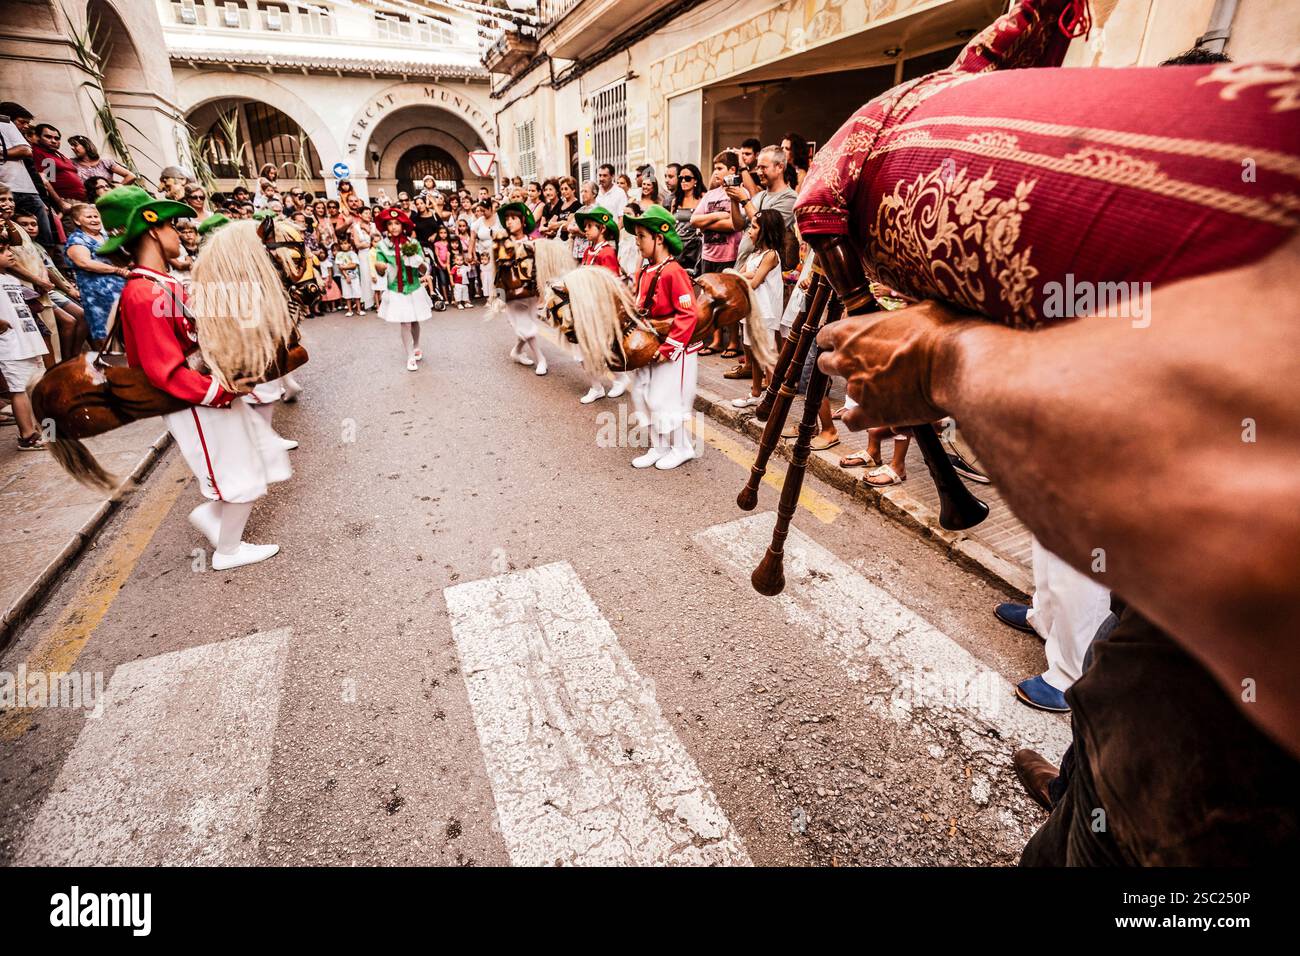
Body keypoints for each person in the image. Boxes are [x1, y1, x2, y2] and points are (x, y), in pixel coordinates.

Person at [813, 222, 1300, 864]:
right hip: (1146, 654)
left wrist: (948, 361)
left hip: (1216, 783)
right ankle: (1076, 786)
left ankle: (1094, 795)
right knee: (1101, 674)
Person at [102, 186, 287, 569]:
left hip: (205, 393)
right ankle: (228, 550)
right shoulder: (142, 292)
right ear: (152, 231)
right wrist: (219, 391)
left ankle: (216, 521)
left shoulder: (163, 283)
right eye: (172, 226)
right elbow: (164, 370)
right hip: (195, 401)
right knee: (238, 474)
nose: (178, 233)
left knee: (256, 459)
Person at [624, 205, 699, 471]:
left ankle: (683, 447)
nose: (637, 242)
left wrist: (669, 348)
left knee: (665, 399)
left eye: (642, 236)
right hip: (650, 345)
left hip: (672, 349)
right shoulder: (646, 271)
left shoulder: (673, 271)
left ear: (659, 237)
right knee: (643, 395)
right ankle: (659, 446)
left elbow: (688, 315)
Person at [572, 205, 627, 405]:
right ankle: (596, 387)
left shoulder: (607, 252)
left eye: (589, 226)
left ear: (602, 228)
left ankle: (619, 380)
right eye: (584, 226)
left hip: (600, 310)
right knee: (583, 351)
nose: (585, 230)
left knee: (603, 349)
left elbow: (612, 283)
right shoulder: (588, 250)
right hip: (586, 307)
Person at [0, 230, 50, 450]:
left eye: (8, 248)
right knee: (18, 389)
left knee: (36, 386)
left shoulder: (10, 277)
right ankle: (27, 436)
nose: (9, 253)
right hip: (11, 345)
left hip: (28, 339)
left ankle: (49, 432)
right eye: (2, 250)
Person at [730, 209, 784, 410]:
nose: (749, 231)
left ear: (766, 231)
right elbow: (739, 276)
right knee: (752, 353)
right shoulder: (755, 254)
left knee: (767, 355)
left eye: (753, 227)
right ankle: (755, 392)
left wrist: (748, 276)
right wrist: (747, 275)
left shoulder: (771, 255)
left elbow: (754, 282)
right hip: (751, 311)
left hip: (765, 313)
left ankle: (772, 398)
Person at [693, 151, 744, 356]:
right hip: (709, 254)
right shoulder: (711, 195)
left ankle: (732, 341)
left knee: (729, 300)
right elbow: (695, 220)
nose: (715, 172)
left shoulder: (739, 194)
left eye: (720, 168)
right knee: (711, 298)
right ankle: (715, 340)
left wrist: (709, 223)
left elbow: (735, 224)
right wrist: (718, 216)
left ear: (732, 170)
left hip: (729, 254)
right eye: (715, 168)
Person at [373, 207, 433, 371]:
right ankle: (410, 356)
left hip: (414, 287)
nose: (393, 227)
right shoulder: (382, 246)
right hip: (396, 289)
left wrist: (417, 260)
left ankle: (417, 345)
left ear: (403, 225)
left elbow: (423, 270)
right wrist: (380, 266)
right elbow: (379, 269)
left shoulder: (413, 244)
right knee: (405, 322)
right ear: (386, 226)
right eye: (390, 223)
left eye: (397, 223)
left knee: (414, 320)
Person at [63, 201, 130, 345]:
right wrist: (117, 270)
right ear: (77, 220)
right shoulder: (77, 239)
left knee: (127, 328)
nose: (94, 220)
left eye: (96, 216)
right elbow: (84, 263)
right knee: (106, 333)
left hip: (121, 288)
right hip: (96, 293)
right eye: (89, 217)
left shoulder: (106, 236)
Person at [496, 201, 547, 376]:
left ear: (523, 220)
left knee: (527, 324)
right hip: (512, 293)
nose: (509, 222)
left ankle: (517, 351)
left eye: (513, 218)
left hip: (531, 292)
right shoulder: (502, 242)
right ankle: (541, 359)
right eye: (507, 219)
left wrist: (542, 291)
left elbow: (541, 268)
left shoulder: (534, 242)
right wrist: (499, 296)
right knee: (525, 325)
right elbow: (499, 272)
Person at [66, 135, 135, 187]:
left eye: (75, 145)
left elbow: (131, 176)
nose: (72, 148)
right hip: (86, 202)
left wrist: (115, 189)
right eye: (71, 146)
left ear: (86, 145)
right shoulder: (71, 163)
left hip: (107, 200)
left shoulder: (105, 162)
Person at [335, 236, 362, 316]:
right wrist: (346, 276)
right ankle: (350, 310)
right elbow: (340, 267)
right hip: (344, 278)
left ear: (350, 244)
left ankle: (359, 309)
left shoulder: (353, 254)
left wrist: (344, 266)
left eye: (345, 243)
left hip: (354, 277)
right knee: (347, 294)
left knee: (357, 293)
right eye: (342, 244)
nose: (344, 245)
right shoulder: (339, 254)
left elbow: (354, 265)